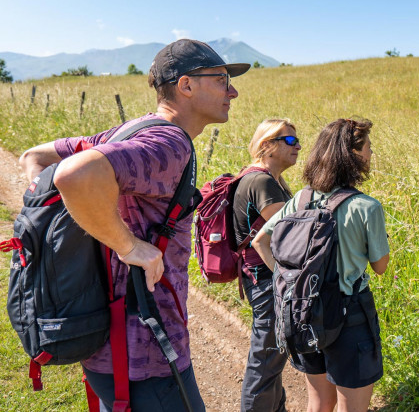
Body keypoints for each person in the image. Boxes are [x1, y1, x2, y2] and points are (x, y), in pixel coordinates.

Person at [18, 39, 250, 411]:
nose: (233, 91)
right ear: (186, 85)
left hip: (104, 340)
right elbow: (74, 177)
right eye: (222, 79)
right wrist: (129, 247)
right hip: (146, 354)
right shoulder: (169, 143)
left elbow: (36, 156)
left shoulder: (129, 130)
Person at [251, 118, 390, 412]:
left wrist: (289, 279)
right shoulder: (367, 207)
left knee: (318, 402)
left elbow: (260, 241)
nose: (370, 154)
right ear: (351, 155)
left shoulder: (301, 199)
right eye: (367, 148)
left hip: (304, 312)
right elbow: (380, 266)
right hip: (350, 313)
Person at [234, 118, 302, 412]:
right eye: (289, 140)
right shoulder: (262, 182)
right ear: (267, 146)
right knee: (266, 360)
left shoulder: (266, 179)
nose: (297, 145)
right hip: (267, 280)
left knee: (273, 357)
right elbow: (292, 233)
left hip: (262, 278)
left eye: (297, 140)